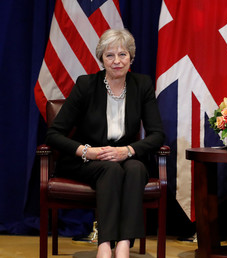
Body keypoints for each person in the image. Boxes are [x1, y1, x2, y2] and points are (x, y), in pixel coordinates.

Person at [45, 28, 165, 258]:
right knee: (110, 169)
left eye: (123, 54)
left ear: (131, 58)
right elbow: (54, 134)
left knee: (136, 167)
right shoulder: (86, 85)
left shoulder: (142, 84)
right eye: (110, 55)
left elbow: (157, 134)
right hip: (87, 162)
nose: (117, 61)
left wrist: (127, 150)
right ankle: (104, 245)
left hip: (126, 157)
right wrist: (86, 151)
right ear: (101, 59)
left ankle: (123, 245)